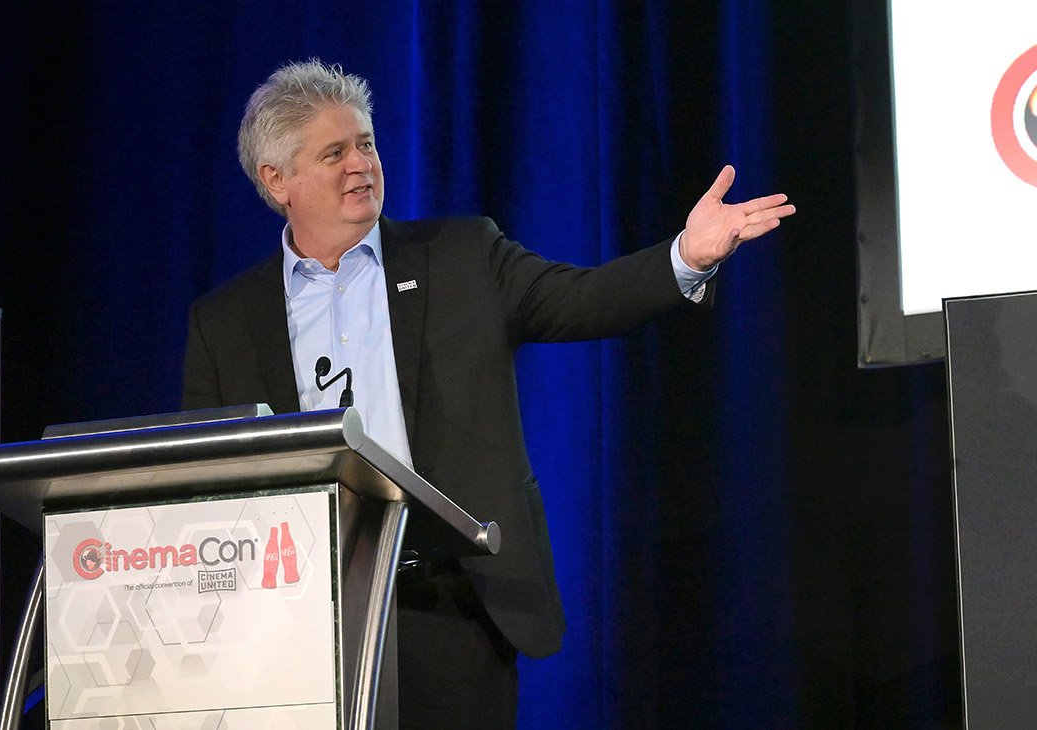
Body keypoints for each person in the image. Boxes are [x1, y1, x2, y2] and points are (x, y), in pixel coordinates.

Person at [181, 59, 794, 729]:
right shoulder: (227, 322)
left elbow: (584, 300)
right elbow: (207, 485)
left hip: (450, 607)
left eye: (367, 143)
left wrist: (687, 255)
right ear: (278, 180)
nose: (362, 164)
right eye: (335, 152)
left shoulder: (462, 256)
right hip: (301, 627)